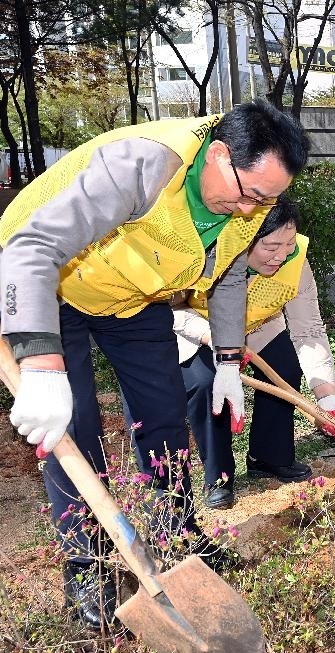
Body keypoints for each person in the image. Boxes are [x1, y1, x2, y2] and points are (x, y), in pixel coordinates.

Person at [0, 99, 309, 628]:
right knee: (72, 429)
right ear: (218, 155)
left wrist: (230, 362)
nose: (253, 211)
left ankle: (176, 533)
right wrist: (43, 367)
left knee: (165, 410)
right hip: (48, 283)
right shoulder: (139, 167)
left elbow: (230, 276)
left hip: (130, 294)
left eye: (269, 201)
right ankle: (89, 566)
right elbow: (32, 248)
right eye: (251, 195)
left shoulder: (241, 206)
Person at [166, 197, 335, 510]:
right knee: (206, 384)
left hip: (257, 327)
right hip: (199, 332)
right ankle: (219, 476)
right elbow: (168, 307)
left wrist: (328, 396)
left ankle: (268, 456)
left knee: (285, 363)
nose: (281, 256)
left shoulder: (295, 260)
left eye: (288, 244)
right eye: (271, 247)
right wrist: (212, 337)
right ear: (245, 240)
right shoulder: (207, 251)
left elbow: (307, 330)